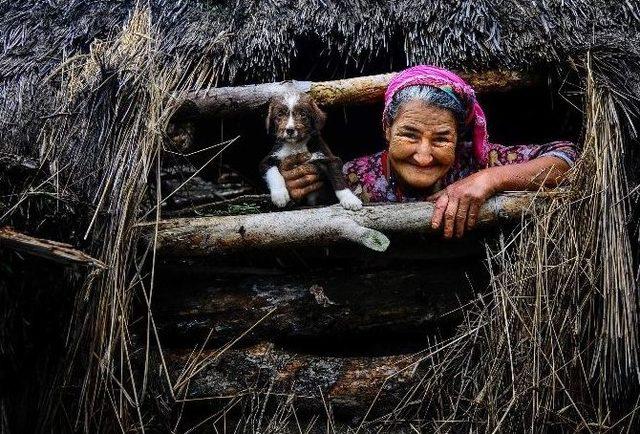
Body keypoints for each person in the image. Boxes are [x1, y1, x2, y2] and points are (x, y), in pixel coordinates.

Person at [280, 65, 577, 238]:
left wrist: (489, 179)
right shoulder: (351, 179)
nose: (423, 155)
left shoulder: (478, 162)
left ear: (458, 137)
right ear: (387, 128)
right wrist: (299, 188)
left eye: (441, 140)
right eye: (409, 135)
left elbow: (568, 157)